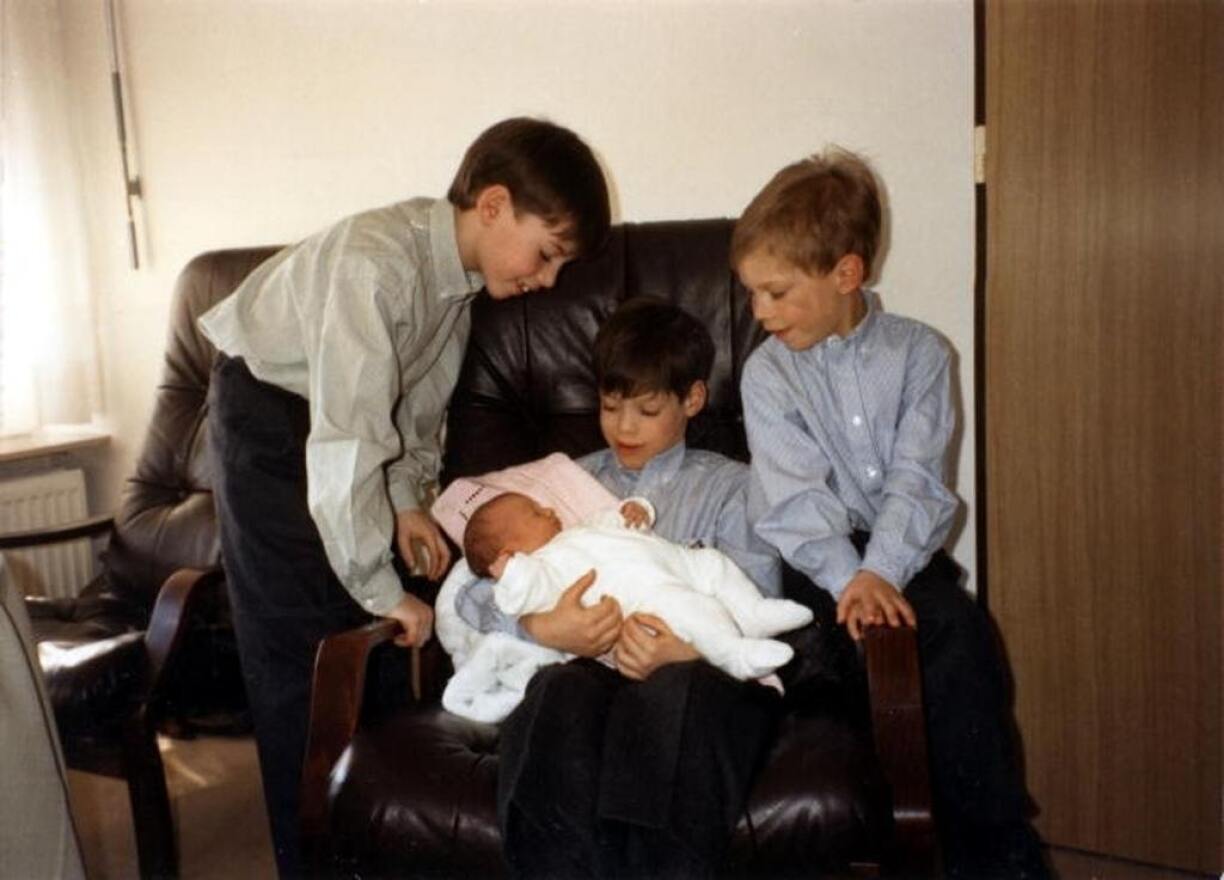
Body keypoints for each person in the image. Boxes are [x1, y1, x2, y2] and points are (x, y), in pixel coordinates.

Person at [200, 116, 610, 877]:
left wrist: (408, 503)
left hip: (333, 431)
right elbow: (348, 440)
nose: (547, 280)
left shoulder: (456, 285)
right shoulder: (377, 265)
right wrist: (381, 587)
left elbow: (408, 417)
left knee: (378, 646)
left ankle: (374, 852)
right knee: (303, 657)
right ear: (492, 205)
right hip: (266, 417)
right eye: (547, 254)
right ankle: (309, 866)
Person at [731, 146, 1050, 879]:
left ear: (846, 273)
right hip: (816, 566)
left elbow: (920, 483)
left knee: (962, 640)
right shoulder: (767, 373)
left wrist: (880, 573)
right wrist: (851, 578)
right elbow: (793, 502)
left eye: (777, 293)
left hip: (902, 557)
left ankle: (1002, 857)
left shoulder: (921, 356)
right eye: (750, 294)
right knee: (845, 668)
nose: (760, 313)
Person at [463, 298, 787, 879]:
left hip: (699, 672)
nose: (624, 427)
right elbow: (472, 590)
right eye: (610, 407)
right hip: (590, 668)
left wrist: (687, 648)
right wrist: (538, 625)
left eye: (646, 408)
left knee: (671, 696)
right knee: (556, 692)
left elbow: (758, 592)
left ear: (692, 399)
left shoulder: (730, 486)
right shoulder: (561, 482)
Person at [463, 490, 811, 682]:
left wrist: (636, 508)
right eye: (537, 514)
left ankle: (751, 613)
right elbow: (502, 595)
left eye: (648, 410)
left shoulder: (578, 531)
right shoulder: (541, 567)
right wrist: (535, 620)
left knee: (716, 563)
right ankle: (731, 653)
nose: (551, 509)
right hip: (649, 600)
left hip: (678, 562)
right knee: (689, 607)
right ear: (512, 553)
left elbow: (615, 517)